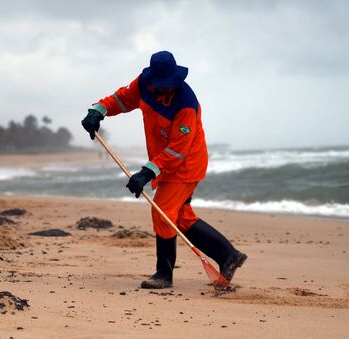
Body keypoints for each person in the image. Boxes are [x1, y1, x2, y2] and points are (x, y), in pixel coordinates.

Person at [82, 51, 247, 289]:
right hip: (165, 161)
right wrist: (99, 110)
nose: (165, 90)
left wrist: (147, 173)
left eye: (169, 86)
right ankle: (228, 256)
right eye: (161, 86)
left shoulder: (186, 105)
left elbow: (178, 151)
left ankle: (164, 274)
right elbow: (122, 99)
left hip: (187, 164)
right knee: (180, 217)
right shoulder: (144, 83)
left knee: (163, 213)